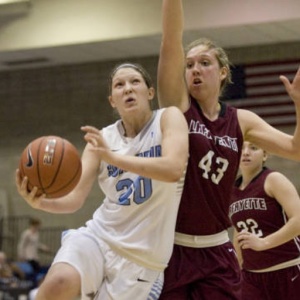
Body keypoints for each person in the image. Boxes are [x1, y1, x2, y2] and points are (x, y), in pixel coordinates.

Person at [158, 0, 300, 299]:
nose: (195, 69)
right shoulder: (179, 108)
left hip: (217, 247)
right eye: (189, 64)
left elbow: (295, 149)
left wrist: (299, 105)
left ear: (223, 73)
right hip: (175, 246)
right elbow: (171, 39)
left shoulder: (241, 120)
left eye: (204, 63)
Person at [16, 62, 189, 300]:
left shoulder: (168, 118)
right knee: (58, 282)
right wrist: (40, 203)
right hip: (99, 237)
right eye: (119, 85)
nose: (127, 89)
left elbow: (173, 169)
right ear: (112, 101)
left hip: (143, 260)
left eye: (135, 82)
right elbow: (74, 199)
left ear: (150, 93)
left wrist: (113, 157)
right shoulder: (101, 139)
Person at [230, 141, 300, 300]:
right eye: (241, 148)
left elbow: (298, 220)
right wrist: (237, 264)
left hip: (287, 269)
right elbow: (239, 230)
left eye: (253, 148)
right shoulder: (232, 189)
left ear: (265, 155)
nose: (246, 152)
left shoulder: (273, 179)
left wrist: (264, 242)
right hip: (251, 277)